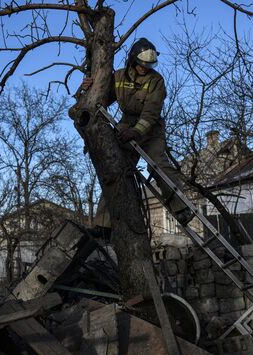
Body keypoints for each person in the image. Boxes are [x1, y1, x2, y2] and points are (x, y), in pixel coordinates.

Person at [82, 38, 194, 234]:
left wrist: (137, 131)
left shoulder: (156, 81)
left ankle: (182, 208)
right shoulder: (118, 77)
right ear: (133, 60)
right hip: (126, 126)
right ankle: (104, 225)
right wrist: (88, 87)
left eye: (148, 66)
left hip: (151, 130)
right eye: (142, 65)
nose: (144, 69)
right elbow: (102, 99)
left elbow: (151, 112)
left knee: (158, 162)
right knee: (115, 169)